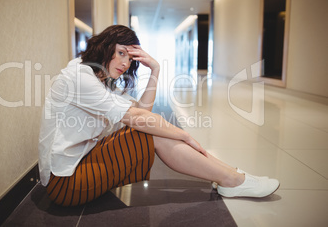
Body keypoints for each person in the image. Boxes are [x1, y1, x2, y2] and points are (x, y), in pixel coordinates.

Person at [38, 25, 279, 206]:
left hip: (81, 163)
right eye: (121, 52)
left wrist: (155, 69)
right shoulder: (80, 77)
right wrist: (184, 135)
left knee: (150, 129)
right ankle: (232, 180)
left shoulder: (100, 80)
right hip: (65, 183)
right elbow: (139, 119)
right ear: (105, 45)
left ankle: (232, 176)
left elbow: (142, 112)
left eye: (130, 58)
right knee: (150, 133)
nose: (124, 63)